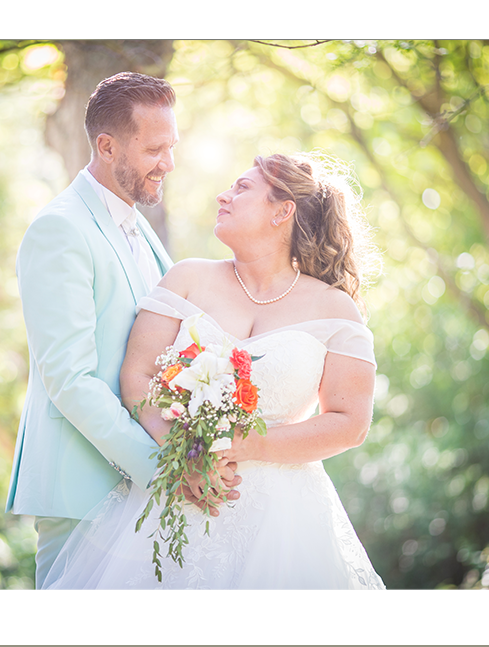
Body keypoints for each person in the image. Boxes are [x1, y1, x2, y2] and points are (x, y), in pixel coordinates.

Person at [43, 151, 386, 589]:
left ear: (283, 211)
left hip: (284, 524)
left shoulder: (335, 309)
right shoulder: (187, 278)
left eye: (242, 188)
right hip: (179, 498)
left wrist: (248, 444)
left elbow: (350, 424)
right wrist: (185, 458)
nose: (223, 196)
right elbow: (138, 376)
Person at [4, 72, 238, 590]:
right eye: (155, 149)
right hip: (83, 489)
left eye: (171, 147)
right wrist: (164, 469)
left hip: (143, 489)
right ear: (107, 147)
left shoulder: (137, 225)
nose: (169, 164)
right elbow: (70, 379)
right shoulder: (59, 230)